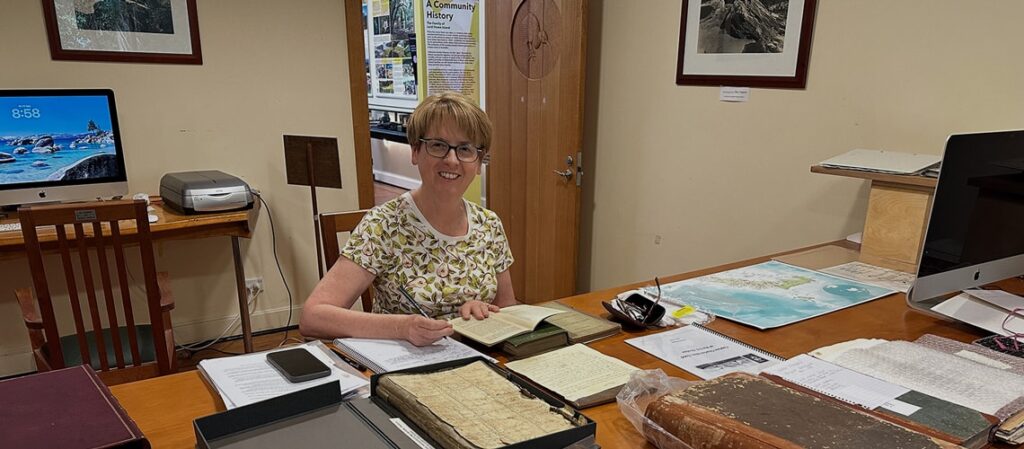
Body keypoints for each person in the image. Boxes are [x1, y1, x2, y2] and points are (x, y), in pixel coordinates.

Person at [300, 92, 517, 346]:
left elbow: (508, 310)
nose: (451, 160)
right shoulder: (384, 224)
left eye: (465, 149)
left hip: (475, 359)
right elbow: (313, 317)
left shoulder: (489, 224)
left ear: (479, 162)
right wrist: (401, 327)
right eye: (438, 145)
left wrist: (485, 313)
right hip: (403, 362)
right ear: (415, 151)